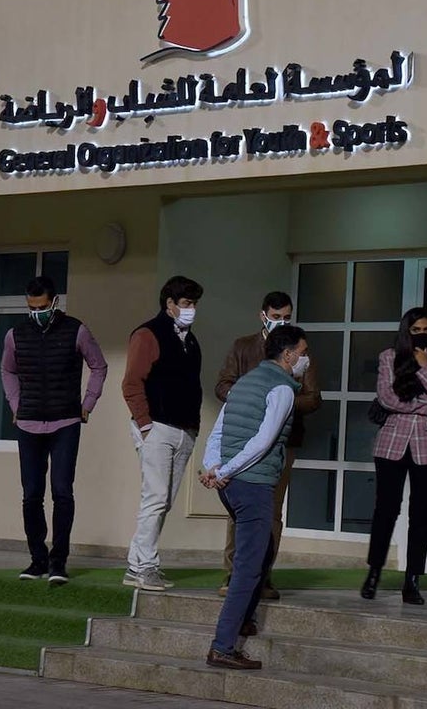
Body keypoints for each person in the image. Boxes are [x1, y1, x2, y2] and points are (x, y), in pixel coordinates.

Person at [200, 326, 311, 670]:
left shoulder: (244, 382)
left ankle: (244, 620)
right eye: (303, 352)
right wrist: (224, 469)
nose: (306, 359)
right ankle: (222, 647)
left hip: (231, 485)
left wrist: (213, 466)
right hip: (252, 484)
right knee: (247, 568)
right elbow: (264, 441)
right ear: (288, 355)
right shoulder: (282, 389)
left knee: (261, 552)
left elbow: (218, 430)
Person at [214, 291, 322, 600]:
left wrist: (280, 403)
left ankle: (264, 575)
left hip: (283, 441)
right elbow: (222, 385)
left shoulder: (300, 350)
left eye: (286, 317)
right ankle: (234, 572)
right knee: (239, 507)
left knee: (271, 510)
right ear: (263, 315)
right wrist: (253, 398)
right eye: (276, 317)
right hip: (242, 436)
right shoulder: (243, 346)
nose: (281, 322)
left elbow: (313, 397)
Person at [1, 276, 108, 585]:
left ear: (55, 302)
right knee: (32, 494)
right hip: (28, 423)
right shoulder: (15, 335)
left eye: (43, 307)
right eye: (32, 308)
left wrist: (88, 403)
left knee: (62, 491)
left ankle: (58, 562)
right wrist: (16, 405)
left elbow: (99, 366)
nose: (37, 312)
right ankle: (37, 560)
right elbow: (7, 370)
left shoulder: (77, 330)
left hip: (65, 423)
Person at [360, 307, 427, 605]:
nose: (422, 335)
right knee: (386, 510)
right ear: (406, 332)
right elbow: (388, 398)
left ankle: (412, 580)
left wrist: (424, 368)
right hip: (392, 442)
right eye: (416, 331)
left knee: (421, 514)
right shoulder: (389, 357)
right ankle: (373, 572)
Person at [120, 276, 204, 591]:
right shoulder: (148, 334)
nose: (192, 309)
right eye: (186, 303)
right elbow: (132, 383)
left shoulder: (191, 341)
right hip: (157, 427)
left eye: (194, 304)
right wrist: (145, 425)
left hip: (184, 430)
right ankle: (145, 567)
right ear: (170, 304)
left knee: (163, 501)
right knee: (155, 498)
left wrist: (194, 427)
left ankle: (136, 565)